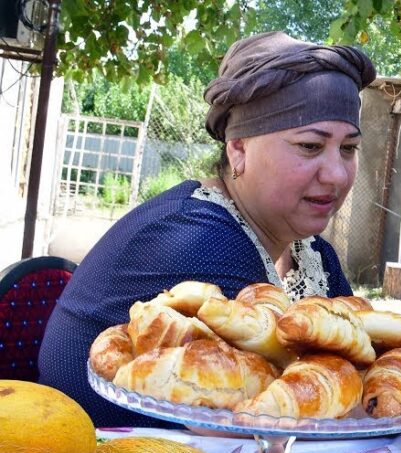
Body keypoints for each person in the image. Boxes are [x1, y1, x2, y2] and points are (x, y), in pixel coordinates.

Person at [39, 31, 378, 427]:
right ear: (239, 149)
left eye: (348, 148)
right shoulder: (199, 239)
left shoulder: (315, 255)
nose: (337, 174)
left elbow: (362, 374)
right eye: (309, 146)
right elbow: (267, 419)